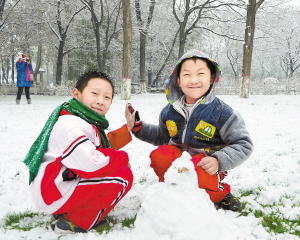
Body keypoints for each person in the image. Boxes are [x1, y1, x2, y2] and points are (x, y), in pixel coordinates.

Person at [126, 49, 253, 211]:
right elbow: (162, 137)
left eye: (200, 74)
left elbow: (244, 144)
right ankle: (173, 189)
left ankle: (221, 194)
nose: (193, 80)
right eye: (186, 75)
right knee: (160, 155)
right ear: (178, 80)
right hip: (179, 163)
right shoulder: (169, 111)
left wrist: (218, 160)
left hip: (206, 167)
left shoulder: (223, 113)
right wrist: (138, 127)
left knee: (197, 173)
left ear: (212, 78)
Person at [24, 70, 133, 233]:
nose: (100, 101)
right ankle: (76, 221)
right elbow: (92, 163)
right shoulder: (72, 125)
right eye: (95, 93)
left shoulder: (78, 117)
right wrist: (123, 158)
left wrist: (128, 129)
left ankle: (68, 210)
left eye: (107, 97)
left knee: (116, 167)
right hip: (54, 192)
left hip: (54, 188)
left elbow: (95, 147)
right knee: (123, 177)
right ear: (76, 94)